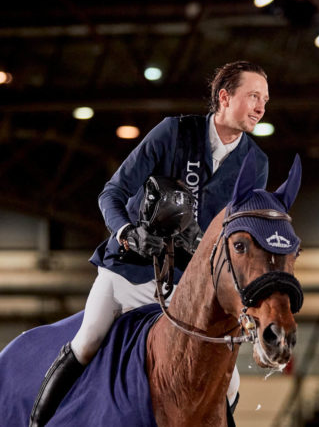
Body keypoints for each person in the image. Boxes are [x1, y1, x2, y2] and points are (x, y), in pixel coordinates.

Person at [30, 61, 271, 427]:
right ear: (224, 97)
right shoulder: (173, 132)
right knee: (88, 340)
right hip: (131, 268)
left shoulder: (256, 163)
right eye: (253, 96)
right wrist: (127, 232)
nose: (261, 107)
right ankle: (38, 423)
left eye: (265, 100)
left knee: (232, 384)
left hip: (187, 289)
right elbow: (112, 193)